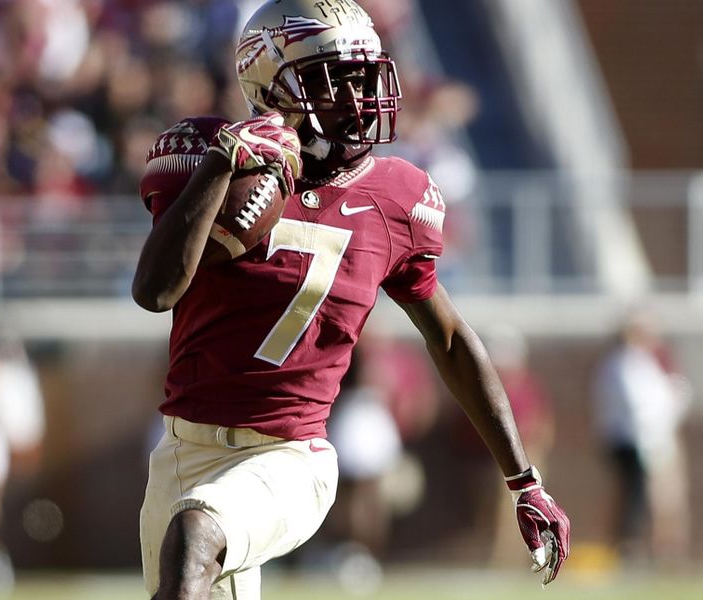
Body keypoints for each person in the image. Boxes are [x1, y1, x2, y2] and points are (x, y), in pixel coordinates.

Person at [131, 1, 570, 598]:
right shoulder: (211, 157)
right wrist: (218, 166)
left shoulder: (397, 198)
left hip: (293, 458)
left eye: (366, 77)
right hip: (184, 450)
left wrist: (525, 480)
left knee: (195, 538)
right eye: (336, 79)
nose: (360, 96)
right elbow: (155, 291)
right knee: (186, 565)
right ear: (274, 87)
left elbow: (449, 338)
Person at [593, 306, 690, 565]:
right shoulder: (623, 363)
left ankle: (661, 550)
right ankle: (630, 548)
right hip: (636, 441)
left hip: (652, 439)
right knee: (635, 497)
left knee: (657, 499)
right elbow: (641, 407)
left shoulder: (646, 363)